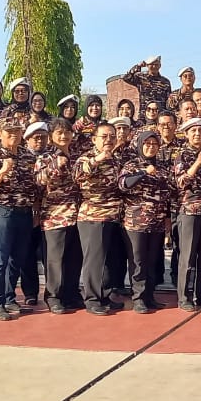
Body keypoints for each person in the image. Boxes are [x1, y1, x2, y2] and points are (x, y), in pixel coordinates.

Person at [0, 117, 38, 321]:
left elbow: (34, 186)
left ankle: (10, 298)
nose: (14, 135)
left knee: (16, 260)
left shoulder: (27, 156)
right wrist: (3, 171)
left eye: (17, 131)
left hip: (24, 212)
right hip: (3, 212)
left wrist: (36, 210)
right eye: (9, 132)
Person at [118, 131, 173, 313]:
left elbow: (167, 195)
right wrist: (143, 173)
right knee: (138, 261)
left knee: (152, 261)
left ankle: (149, 296)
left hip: (156, 222)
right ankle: (138, 298)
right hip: (136, 223)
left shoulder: (162, 167)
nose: (151, 147)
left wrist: (167, 221)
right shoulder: (132, 165)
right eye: (147, 143)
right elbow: (123, 184)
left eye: (154, 144)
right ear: (140, 145)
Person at [75, 123, 124, 316]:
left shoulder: (115, 159)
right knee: (94, 261)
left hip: (113, 216)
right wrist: (97, 159)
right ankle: (92, 299)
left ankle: (105, 295)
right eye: (104, 136)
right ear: (94, 139)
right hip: (93, 215)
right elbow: (77, 174)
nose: (109, 140)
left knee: (109, 260)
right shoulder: (86, 157)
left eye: (112, 136)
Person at [34, 118, 83, 314]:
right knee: (55, 260)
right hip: (55, 216)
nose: (64, 136)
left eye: (67, 132)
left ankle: (71, 294)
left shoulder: (77, 156)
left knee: (74, 258)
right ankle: (53, 296)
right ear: (51, 136)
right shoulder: (45, 158)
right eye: (59, 133)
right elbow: (38, 180)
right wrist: (55, 166)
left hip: (77, 215)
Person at [173, 118, 201, 311]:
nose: (197, 134)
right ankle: (184, 297)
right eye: (193, 131)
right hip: (189, 211)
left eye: (200, 131)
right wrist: (198, 163)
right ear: (186, 134)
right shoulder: (181, 155)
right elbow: (180, 182)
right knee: (188, 257)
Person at [16, 122, 50, 305]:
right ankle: (30, 293)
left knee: (49, 256)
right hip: (26, 212)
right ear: (27, 139)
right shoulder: (21, 158)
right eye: (36, 138)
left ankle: (53, 292)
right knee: (27, 254)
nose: (40, 141)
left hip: (50, 213)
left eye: (43, 137)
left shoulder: (52, 156)